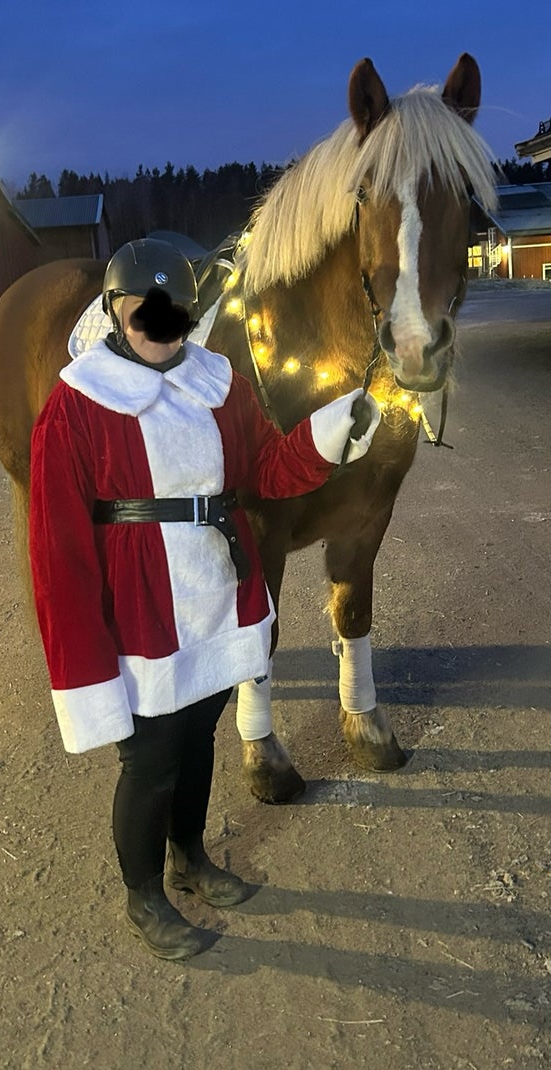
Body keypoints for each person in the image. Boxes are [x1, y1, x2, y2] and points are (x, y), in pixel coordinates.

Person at [28, 238, 381, 960]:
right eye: (140, 314)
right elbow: (57, 553)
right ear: (113, 313)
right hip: (139, 617)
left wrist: (331, 431)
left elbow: (270, 471)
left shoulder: (221, 386)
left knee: (196, 743)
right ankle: (144, 894)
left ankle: (189, 856)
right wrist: (84, 668)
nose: (158, 328)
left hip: (214, 600)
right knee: (150, 761)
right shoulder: (74, 407)